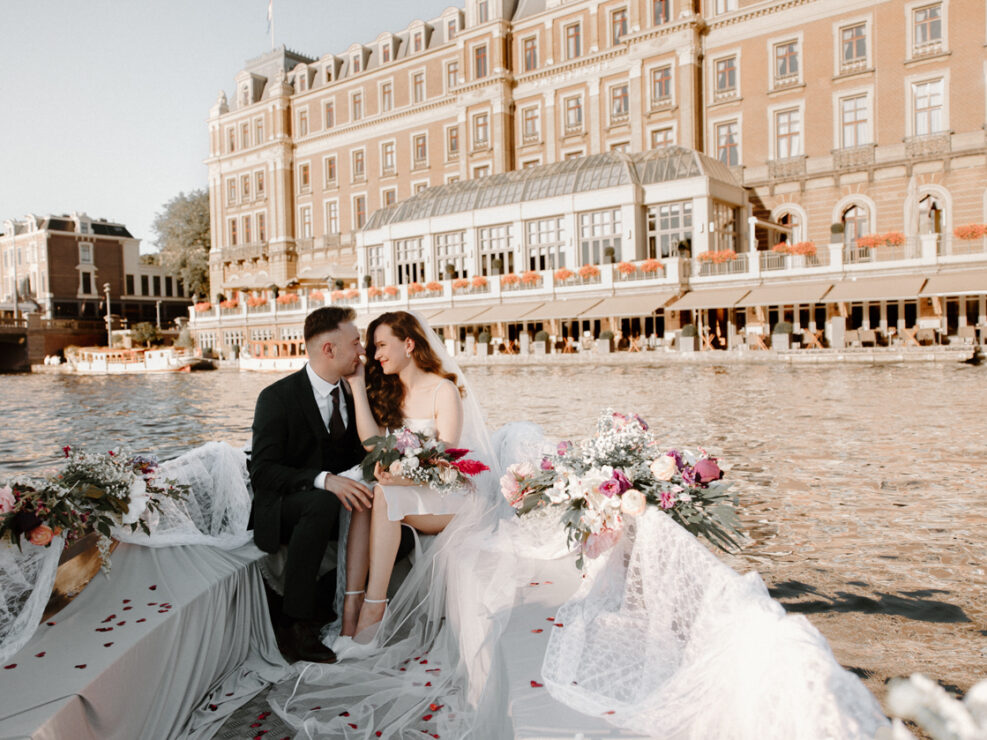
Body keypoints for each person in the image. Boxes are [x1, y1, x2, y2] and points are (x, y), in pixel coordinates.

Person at [334, 311, 468, 653]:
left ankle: (372, 608)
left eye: (381, 345)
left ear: (408, 344)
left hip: (447, 499)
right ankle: (355, 605)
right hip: (404, 493)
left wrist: (402, 479)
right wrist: (356, 385)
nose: (375, 355)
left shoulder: (444, 389)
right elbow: (372, 446)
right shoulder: (390, 393)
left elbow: (447, 461)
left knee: (383, 494)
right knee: (369, 495)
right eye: (373, 347)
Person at [249, 305, 373, 663]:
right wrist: (324, 480)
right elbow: (264, 472)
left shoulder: (351, 392)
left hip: (335, 505)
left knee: (388, 515)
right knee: (322, 501)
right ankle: (294, 625)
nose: (361, 351)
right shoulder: (276, 398)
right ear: (329, 349)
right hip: (287, 505)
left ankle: (346, 605)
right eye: (355, 343)